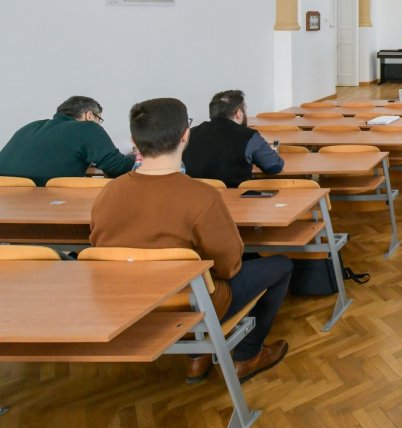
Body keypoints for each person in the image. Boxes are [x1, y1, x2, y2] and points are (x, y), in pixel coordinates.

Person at [90, 98, 292, 384]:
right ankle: (248, 356)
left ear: (134, 141)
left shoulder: (107, 194)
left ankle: (197, 359)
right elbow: (229, 266)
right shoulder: (202, 196)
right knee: (280, 266)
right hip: (192, 303)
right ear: (186, 135)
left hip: (130, 302)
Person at [0, 96, 134, 185]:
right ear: (89, 115)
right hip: (49, 203)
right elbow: (117, 167)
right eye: (99, 119)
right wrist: (140, 154)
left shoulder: (29, 127)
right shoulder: (88, 128)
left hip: (7, 201)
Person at [182, 90, 284, 187]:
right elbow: (273, 166)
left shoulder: (190, 134)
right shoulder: (249, 136)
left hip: (197, 199)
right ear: (239, 113)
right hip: (238, 200)